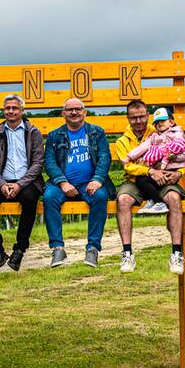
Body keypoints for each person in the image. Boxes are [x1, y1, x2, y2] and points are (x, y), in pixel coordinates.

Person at [42, 97, 116, 268]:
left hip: (89, 182)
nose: (74, 112)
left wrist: (97, 179)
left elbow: (105, 157)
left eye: (78, 109)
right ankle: (57, 248)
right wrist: (62, 182)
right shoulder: (55, 135)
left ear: (84, 112)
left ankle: (92, 249)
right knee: (49, 197)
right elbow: (50, 162)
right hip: (62, 184)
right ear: (63, 113)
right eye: (69, 109)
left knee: (100, 196)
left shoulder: (97, 132)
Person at [114, 100, 185, 274]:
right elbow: (128, 166)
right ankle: (127, 253)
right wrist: (149, 171)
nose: (138, 121)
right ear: (128, 118)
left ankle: (177, 253)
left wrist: (180, 173)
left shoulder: (160, 131)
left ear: (148, 116)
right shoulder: (122, 141)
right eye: (133, 118)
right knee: (123, 200)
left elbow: (181, 153)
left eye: (141, 117)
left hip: (164, 177)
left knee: (174, 199)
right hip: (135, 181)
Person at [0, 94, 43, 271]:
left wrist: (20, 184)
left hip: (27, 181)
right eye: (7, 108)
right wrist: (1, 184)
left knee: (30, 199)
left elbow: (38, 163)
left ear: (22, 110)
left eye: (15, 108)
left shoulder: (33, 132)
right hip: (3, 180)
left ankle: (20, 249)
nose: (11, 111)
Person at [121, 107, 185, 213]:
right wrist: (129, 157)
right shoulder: (155, 136)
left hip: (170, 171)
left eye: (163, 120)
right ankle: (154, 201)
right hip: (158, 170)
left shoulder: (177, 135)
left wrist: (174, 157)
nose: (159, 124)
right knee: (141, 181)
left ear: (171, 122)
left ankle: (158, 202)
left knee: (142, 182)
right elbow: (143, 147)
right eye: (156, 122)